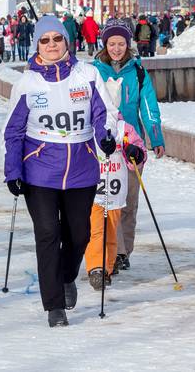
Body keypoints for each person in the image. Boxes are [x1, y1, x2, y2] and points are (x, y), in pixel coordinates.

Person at [3, 15, 116, 328]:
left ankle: (67, 277)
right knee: (48, 233)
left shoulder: (88, 74)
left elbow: (104, 115)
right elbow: (12, 130)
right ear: (37, 45)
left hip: (82, 165)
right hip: (40, 169)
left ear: (67, 42)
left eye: (57, 39)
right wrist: (12, 170)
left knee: (78, 234)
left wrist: (106, 135)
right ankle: (54, 305)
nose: (51, 45)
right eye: (45, 40)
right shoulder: (28, 82)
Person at [92, 19, 166, 271]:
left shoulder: (138, 71)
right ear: (105, 44)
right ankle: (107, 247)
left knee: (129, 199)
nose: (116, 48)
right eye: (111, 43)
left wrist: (155, 137)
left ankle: (123, 251)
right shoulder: (94, 71)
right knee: (104, 198)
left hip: (131, 143)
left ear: (128, 44)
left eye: (121, 43)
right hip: (101, 143)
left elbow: (148, 106)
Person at [84, 77, 147, 290]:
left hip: (115, 189)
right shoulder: (88, 128)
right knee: (95, 230)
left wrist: (135, 153)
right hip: (93, 189)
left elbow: (138, 151)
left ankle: (108, 267)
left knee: (111, 230)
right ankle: (96, 267)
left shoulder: (123, 128)